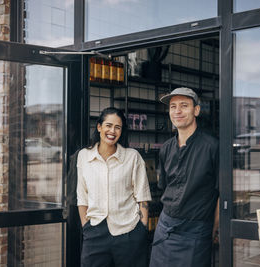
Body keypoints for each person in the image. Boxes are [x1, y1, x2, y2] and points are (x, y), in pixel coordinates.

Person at [149, 87, 220, 267]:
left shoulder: (212, 147)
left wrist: (214, 228)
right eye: (173, 107)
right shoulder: (166, 148)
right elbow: (165, 186)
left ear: (196, 110)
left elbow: (221, 194)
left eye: (184, 106)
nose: (177, 111)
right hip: (165, 226)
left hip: (196, 230)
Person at [77, 107, 152, 267]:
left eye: (117, 127)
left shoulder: (132, 157)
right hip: (95, 232)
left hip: (129, 232)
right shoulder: (84, 156)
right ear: (99, 127)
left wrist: (142, 228)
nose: (112, 131)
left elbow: (142, 195)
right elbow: (81, 195)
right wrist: (86, 226)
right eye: (108, 125)